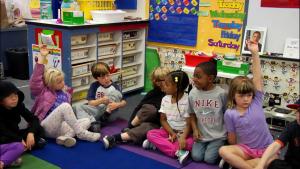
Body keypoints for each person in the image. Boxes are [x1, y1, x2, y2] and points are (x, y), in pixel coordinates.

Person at [30, 45, 100, 148]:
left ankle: (65, 137)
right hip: (45, 126)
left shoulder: (65, 92)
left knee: (87, 120)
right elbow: (35, 82)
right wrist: (41, 59)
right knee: (65, 106)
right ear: (50, 83)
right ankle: (81, 134)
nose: (62, 83)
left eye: (62, 80)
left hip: (61, 127)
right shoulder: (43, 91)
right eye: (59, 82)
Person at [219, 41, 273, 169]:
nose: (246, 99)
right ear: (233, 95)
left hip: (267, 150)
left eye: (249, 95)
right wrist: (240, 153)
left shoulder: (256, 101)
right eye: (241, 96)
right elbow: (232, 139)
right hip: (246, 150)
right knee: (223, 150)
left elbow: (257, 77)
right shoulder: (230, 113)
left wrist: (255, 53)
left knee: (261, 163)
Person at [102, 67, 171, 149]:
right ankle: (128, 130)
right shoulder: (153, 94)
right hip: (141, 120)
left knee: (147, 127)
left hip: (158, 124)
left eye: (165, 80)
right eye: (159, 81)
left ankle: (115, 138)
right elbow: (139, 108)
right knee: (150, 109)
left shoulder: (172, 94)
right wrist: (130, 125)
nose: (160, 83)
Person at [143, 70, 193, 165]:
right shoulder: (165, 99)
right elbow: (163, 120)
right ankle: (177, 152)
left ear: (177, 87)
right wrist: (172, 133)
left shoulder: (187, 100)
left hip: (184, 134)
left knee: (190, 143)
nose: (163, 86)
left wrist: (182, 137)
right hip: (168, 131)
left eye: (167, 84)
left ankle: (159, 145)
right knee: (150, 134)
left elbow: (188, 124)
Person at [188, 60, 227, 164]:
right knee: (196, 157)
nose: (194, 79)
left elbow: (227, 114)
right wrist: (195, 130)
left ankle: (224, 153)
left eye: (198, 77)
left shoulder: (221, 94)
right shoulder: (192, 93)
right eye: (194, 76)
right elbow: (191, 113)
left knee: (209, 159)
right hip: (202, 136)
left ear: (210, 78)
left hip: (218, 136)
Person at [0, 81, 46, 168]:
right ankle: (10, 157)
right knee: (18, 145)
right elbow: (3, 130)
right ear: (1, 100)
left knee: (39, 129)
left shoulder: (18, 106)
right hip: (4, 137)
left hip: (15, 135)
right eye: (10, 97)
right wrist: (19, 139)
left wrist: (31, 133)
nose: (14, 98)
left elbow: (34, 119)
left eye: (15, 95)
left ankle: (14, 154)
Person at [74, 62, 126, 131]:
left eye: (108, 75)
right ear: (97, 78)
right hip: (96, 109)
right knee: (76, 107)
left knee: (117, 93)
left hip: (109, 111)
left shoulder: (115, 86)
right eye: (103, 77)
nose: (106, 79)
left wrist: (117, 105)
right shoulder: (94, 85)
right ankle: (93, 123)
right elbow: (90, 103)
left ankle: (91, 122)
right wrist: (101, 100)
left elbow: (124, 102)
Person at [255, 99, 300, 169]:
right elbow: (276, 145)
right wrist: (260, 165)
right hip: (291, 164)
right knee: (270, 162)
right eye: (298, 111)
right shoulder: (292, 126)